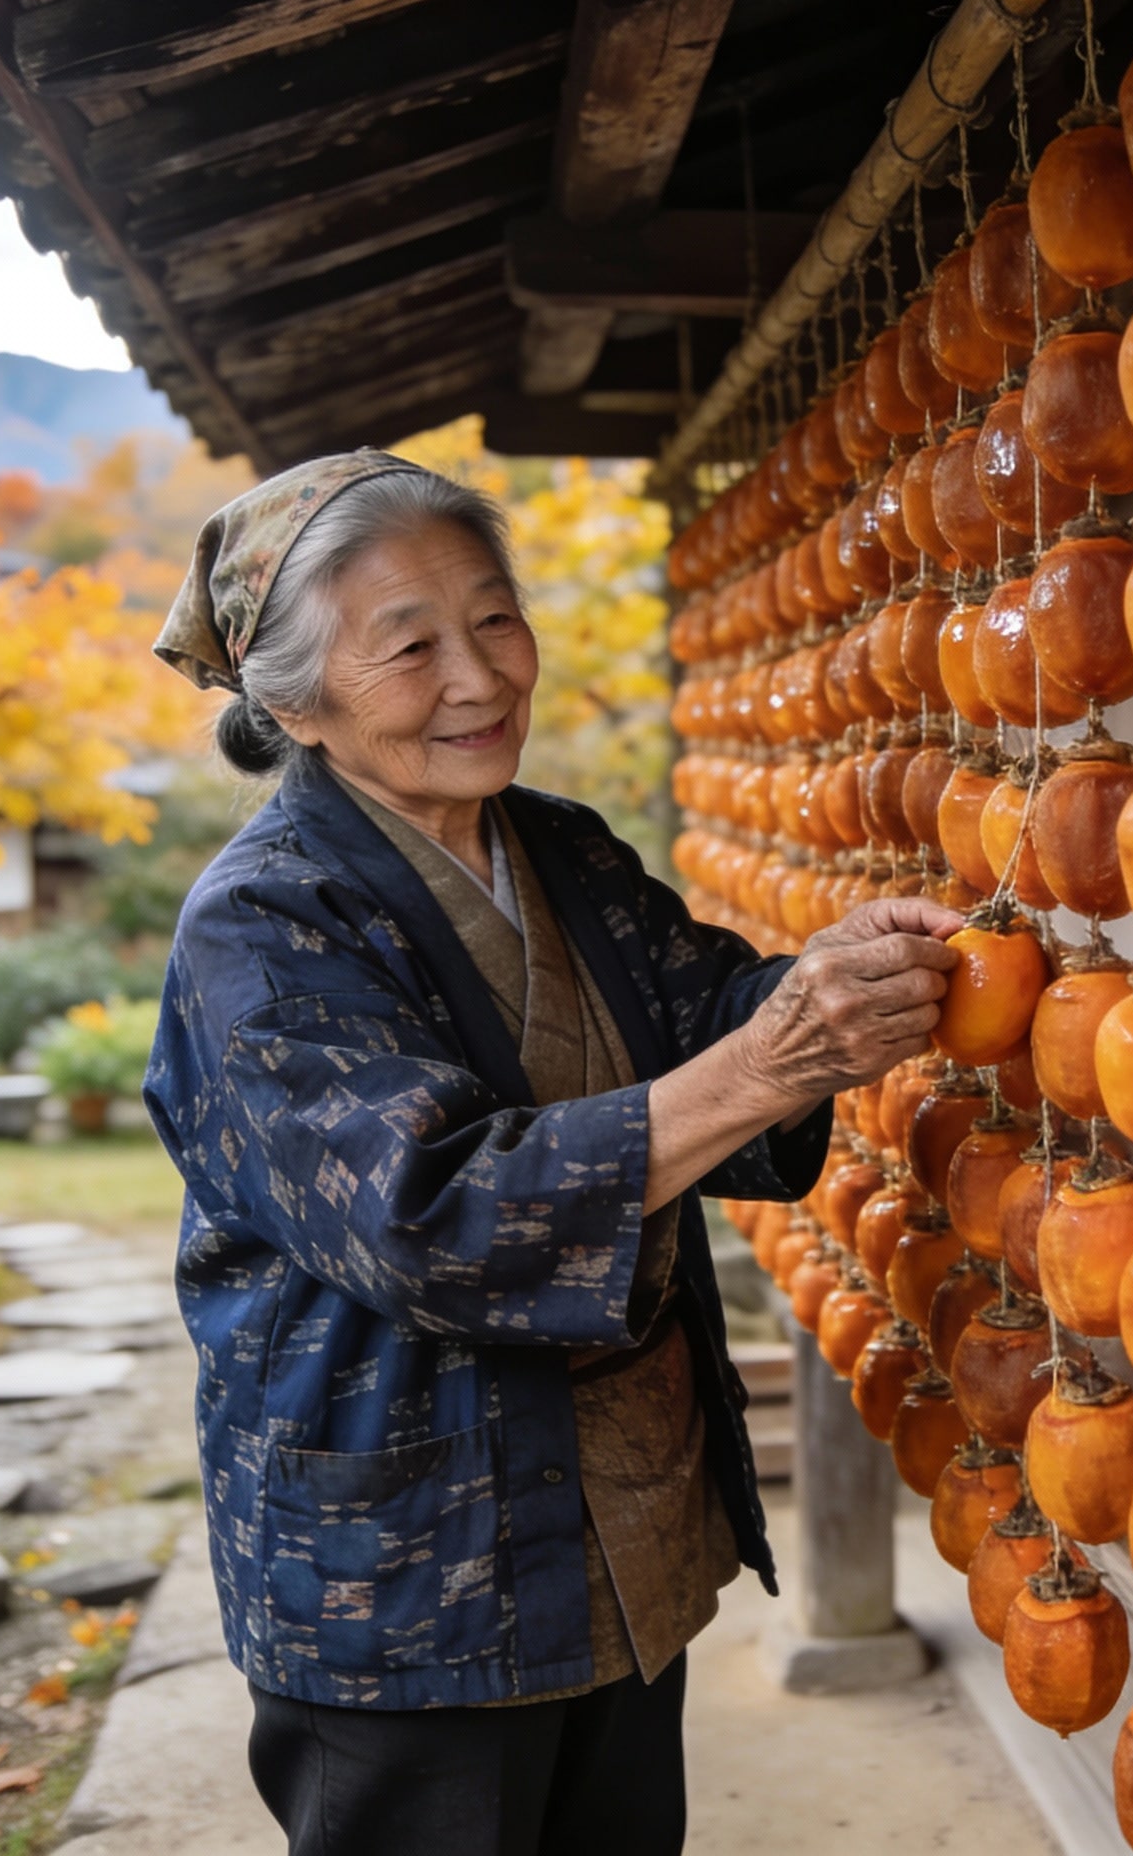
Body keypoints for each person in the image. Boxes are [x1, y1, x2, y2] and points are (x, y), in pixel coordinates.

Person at [145, 452, 959, 1856]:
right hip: (408, 1567)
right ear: (294, 703)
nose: (478, 678)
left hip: (613, 1526)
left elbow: (707, 1010)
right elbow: (432, 1210)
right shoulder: (262, 928)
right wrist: (771, 1059)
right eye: (409, 646)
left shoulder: (561, 851)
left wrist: (830, 976)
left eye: (496, 620)